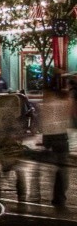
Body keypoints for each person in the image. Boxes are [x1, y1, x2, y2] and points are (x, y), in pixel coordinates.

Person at [41, 72, 71, 209]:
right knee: (61, 168)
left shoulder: (46, 104)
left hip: (48, 137)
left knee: (53, 168)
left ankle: (51, 193)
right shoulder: (64, 102)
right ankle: (59, 196)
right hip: (60, 136)